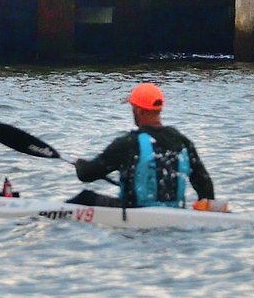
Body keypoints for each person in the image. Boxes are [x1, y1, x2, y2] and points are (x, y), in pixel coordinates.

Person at [71, 82, 217, 209]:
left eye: (133, 107)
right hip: (175, 212)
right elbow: (205, 186)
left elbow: (87, 174)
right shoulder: (182, 142)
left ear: (138, 110)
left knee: (85, 198)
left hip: (135, 213)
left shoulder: (128, 143)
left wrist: (80, 165)